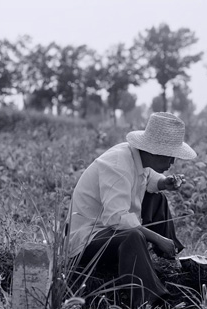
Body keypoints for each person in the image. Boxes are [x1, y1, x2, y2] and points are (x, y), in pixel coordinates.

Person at [66, 112, 196, 307]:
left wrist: (164, 183)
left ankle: (168, 258)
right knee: (132, 236)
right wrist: (157, 238)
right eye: (170, 156)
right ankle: (151, 300)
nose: (172, 163)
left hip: (107, 230)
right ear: (154, 151)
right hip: (87, 240)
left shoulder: (138, 158)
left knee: (157, 198)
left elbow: (148, 179)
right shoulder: (117, 165)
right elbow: (116, 219)